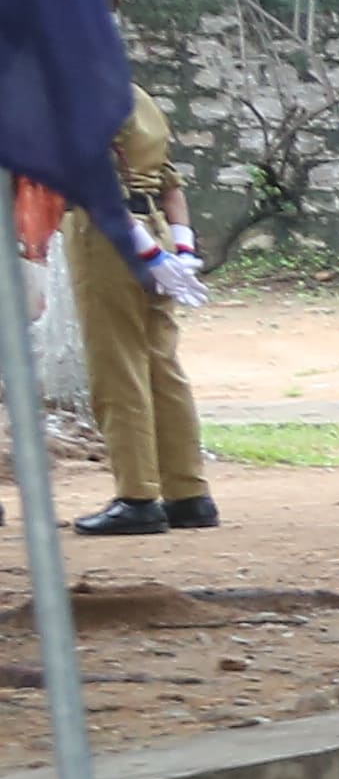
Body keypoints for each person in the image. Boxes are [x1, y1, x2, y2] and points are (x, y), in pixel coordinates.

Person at [69, 91, 215, 534]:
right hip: (156, 226)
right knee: (161, 363)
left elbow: (97, 185)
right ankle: (188, 493)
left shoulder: (78, 95)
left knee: (118, 364)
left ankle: (137, 495)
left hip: (110, 233)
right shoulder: (136, 95)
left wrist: (147, 254)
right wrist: (181, 249)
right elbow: (169, 180)